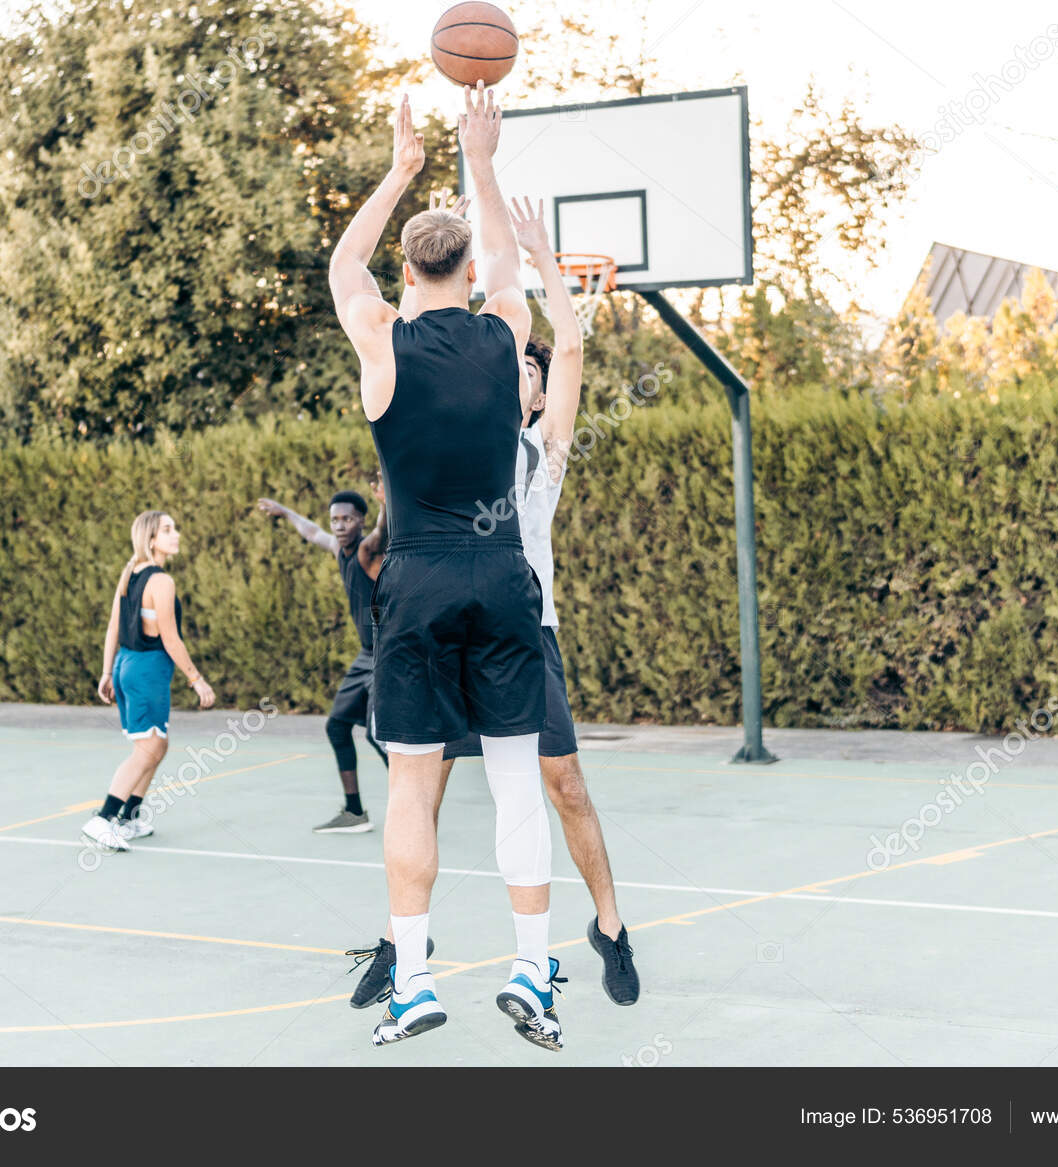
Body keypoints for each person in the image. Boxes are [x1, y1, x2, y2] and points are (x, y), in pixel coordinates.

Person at [346, 196, 640, 1013]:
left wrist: (538, 256)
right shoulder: (458, 396)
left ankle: (607, 928)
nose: (527, 375)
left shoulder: (542, 455)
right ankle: (410, 941)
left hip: (518, 626)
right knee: (423, 784)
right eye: (522, 366)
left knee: (560, 784)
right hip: (467, 603)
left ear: (535, 391)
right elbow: (427, 316)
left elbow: (568, 342)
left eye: (534, 374)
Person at [329, 84, 563, 1049]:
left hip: (416, 579)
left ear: (406, 270)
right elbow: (509, 264)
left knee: (412, 786)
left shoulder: (380, 343)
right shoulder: (505, 327)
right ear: (467, 267)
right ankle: (532, 969)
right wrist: (484, 155)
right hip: (503, 573)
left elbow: (343, 263)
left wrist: (400, 167)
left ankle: (416, 978)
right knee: (516, 781)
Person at [255, 481, 389, 833]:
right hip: (366, 655)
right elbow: (312, 532)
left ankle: (414, 806)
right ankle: (355, 812)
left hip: (389, 653)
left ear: (359, 521)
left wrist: (385, 504)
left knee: (379, 733)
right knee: (337, 726)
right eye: (336, 520)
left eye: (348, 519)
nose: (340, 525)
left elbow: (381, 533)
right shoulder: (337, 548)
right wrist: (285, 512)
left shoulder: (365, 552)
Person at [84, 510, 215, 852]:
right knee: (148, 749)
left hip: (127, 665)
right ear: (151, 540)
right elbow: (171, 639)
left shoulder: (130, 572)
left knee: (158, 744)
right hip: (147, 670)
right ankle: (103, 818)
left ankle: (129, 818)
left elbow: (114, 626)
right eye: (168, 530)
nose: (177, 535)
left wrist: (107, 671)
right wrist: (196, 679)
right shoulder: (162, 581)